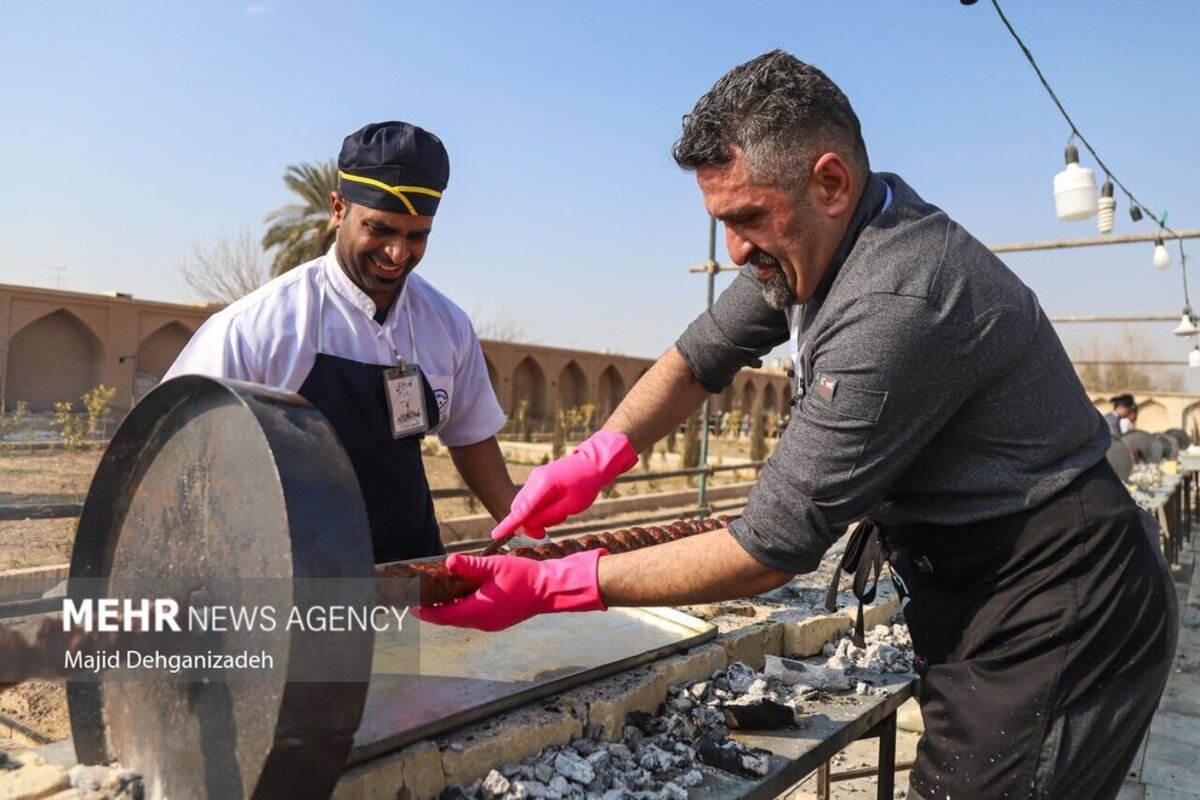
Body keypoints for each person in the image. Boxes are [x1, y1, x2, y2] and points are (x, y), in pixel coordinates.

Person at [417, 52, 1177, 800]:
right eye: (722, 222)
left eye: (747, 218)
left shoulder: (896, 301)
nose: (737, 250)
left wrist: (555, 585)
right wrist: (595, 457)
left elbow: (768, 548)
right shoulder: (819, 240)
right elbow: (699, 357)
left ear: (831, 182)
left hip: (1058, 603)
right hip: (974, 582)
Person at [166, 121, 516, 562]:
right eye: (380, 229)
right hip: (293, 590)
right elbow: (175, 454)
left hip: (414, 578)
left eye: (416, 236)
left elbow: (471, 437)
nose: (397, 253)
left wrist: (527, 536)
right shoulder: (256, 329)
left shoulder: (447, 325)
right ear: (337, 209)